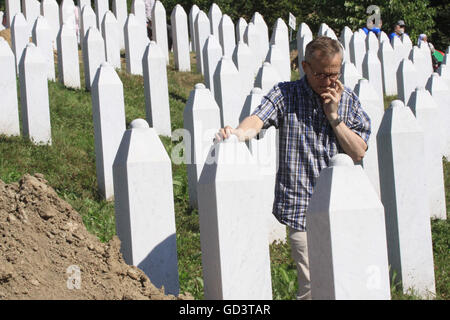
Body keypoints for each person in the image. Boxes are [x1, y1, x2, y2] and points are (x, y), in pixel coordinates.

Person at [215, 36, 371, 300]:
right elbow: (258, 118)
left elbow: (358, 151)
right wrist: (238, 134)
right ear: (305, 67)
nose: (329, 81)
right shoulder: (285, 94)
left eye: (335, 74)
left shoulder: (350, 102)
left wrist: (334, 117)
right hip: (302, 206)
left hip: (343, 205)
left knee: (345, 282)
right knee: (312, 285)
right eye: (321, 74)